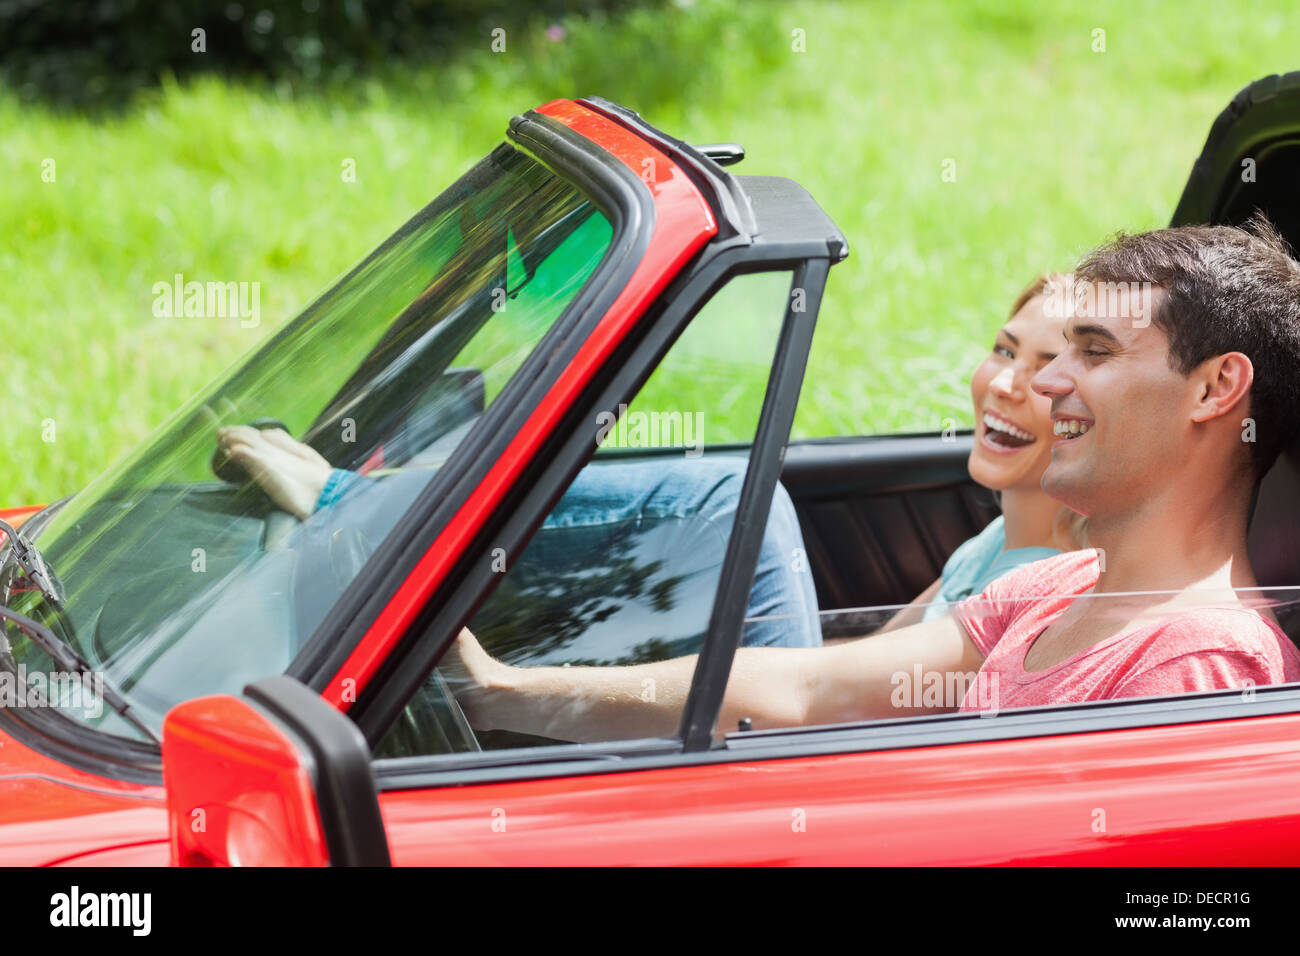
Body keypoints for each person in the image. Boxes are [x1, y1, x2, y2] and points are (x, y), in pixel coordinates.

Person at [442, 216, 1300, 742]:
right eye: (1051, 349)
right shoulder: (1057, 584)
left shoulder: (1200, 671)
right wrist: (501, 694)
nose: (1042, 384)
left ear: (1216, 389)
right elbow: (806, 687)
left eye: (1096, 353)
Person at [877, 273, 1085, 632]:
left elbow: (849, 680)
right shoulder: (1000, 536)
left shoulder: (1035, 594)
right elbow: (879, 647)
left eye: (1049, 369)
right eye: (1005, 351)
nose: (1002, 384)